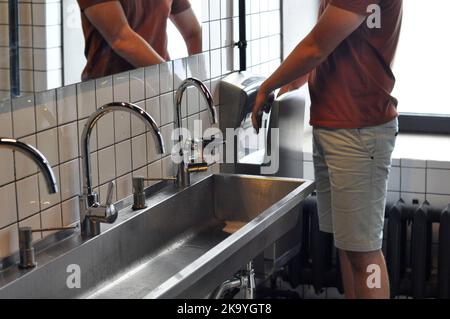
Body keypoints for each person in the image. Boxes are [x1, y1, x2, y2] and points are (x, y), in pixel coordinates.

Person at [252, 0, 402, 299]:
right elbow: (331, 45)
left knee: (365, 253)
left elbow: (317, 46)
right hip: (336, 124)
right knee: (350, 248)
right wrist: (292, 80)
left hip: (357, 130)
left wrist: (267, 86)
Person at [77, 0, 201, 81]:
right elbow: (121, 39)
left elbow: (193, 32)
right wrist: (168, 76)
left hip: (158, 85)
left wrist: (199, 78)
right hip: (109, 90)